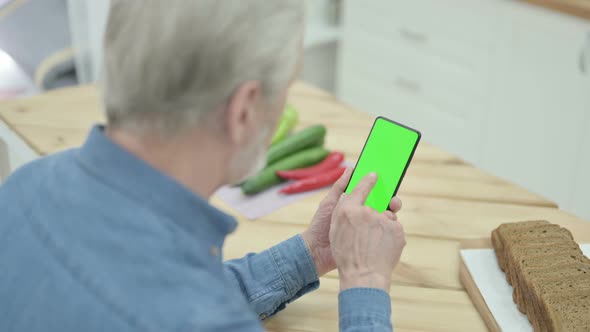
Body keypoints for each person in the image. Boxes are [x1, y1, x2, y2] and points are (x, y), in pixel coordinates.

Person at [0, 1, 407, 331]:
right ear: (244, 110)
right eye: (286, 87)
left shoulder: (23, 186)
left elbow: (162, 292)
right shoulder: (204, 317)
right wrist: (366, 280)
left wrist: (311, 253)